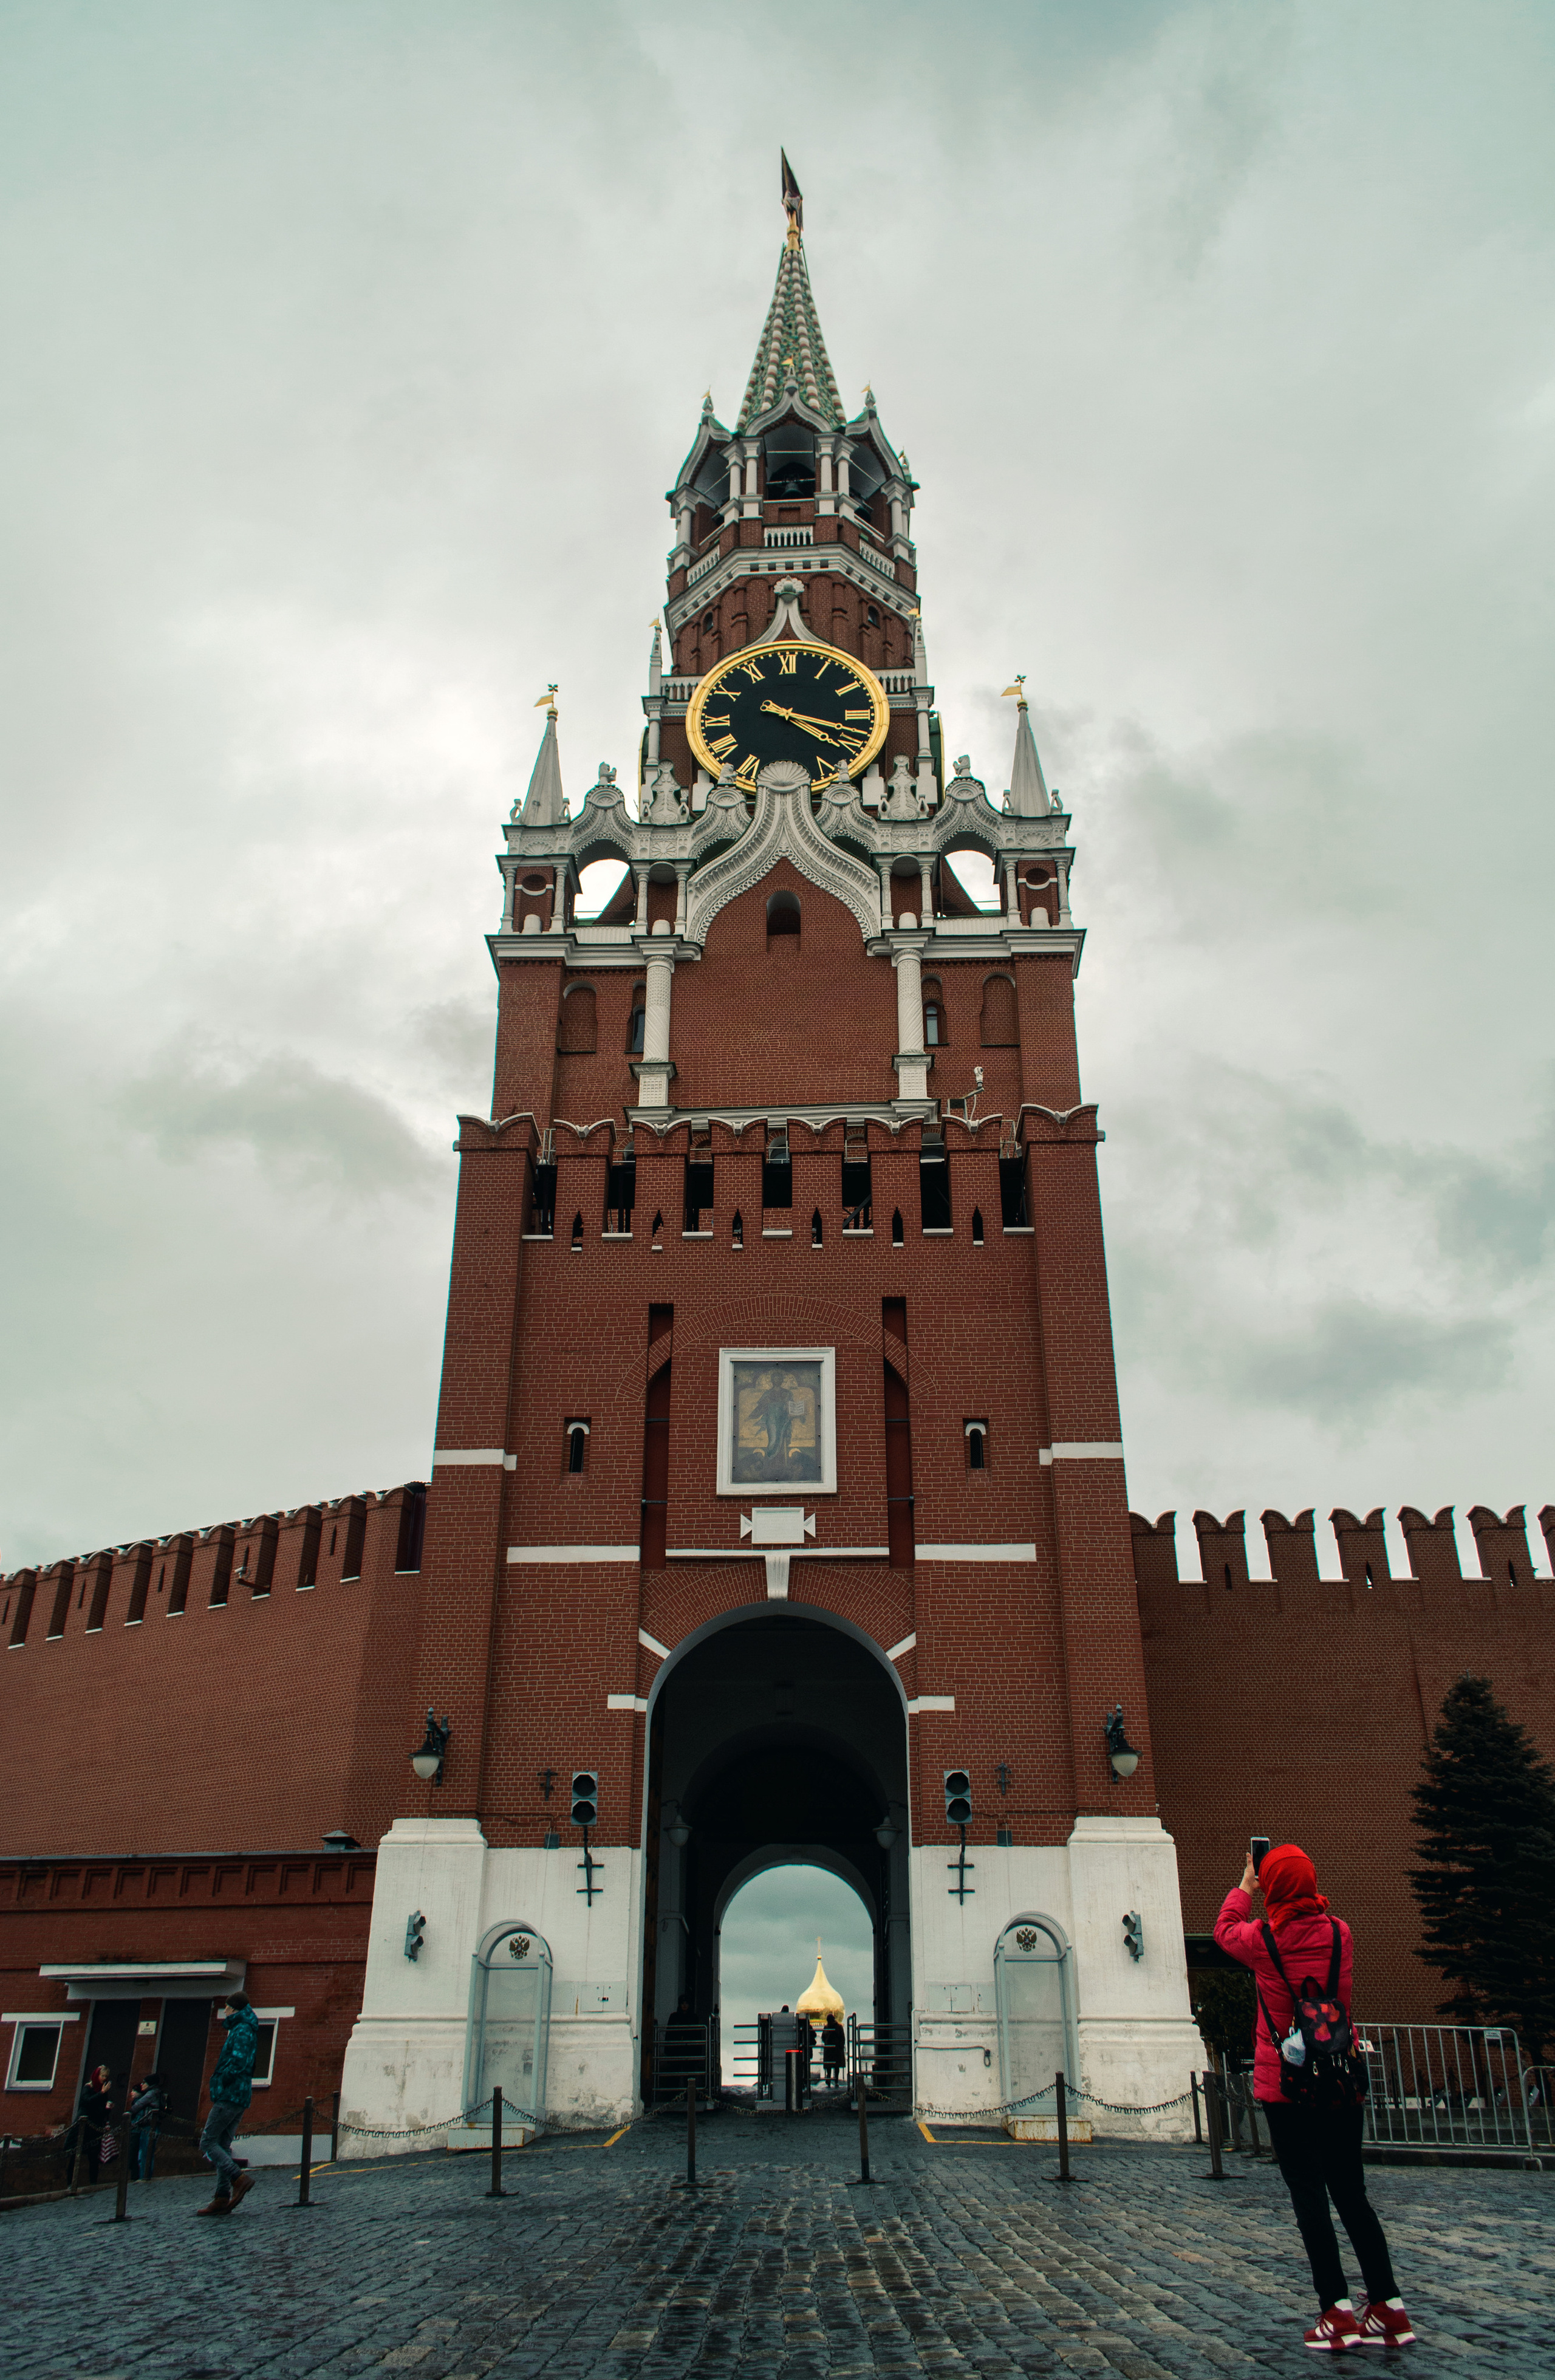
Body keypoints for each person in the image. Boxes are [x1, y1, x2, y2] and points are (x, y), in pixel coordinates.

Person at [1216, 1844, 1414, 2352]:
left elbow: (1223, 1931)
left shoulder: (1263, 1940)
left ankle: (1336, 2311)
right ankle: (1389, 2308)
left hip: (1286, 2085)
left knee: (1309, 2197)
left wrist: (1245, 1885)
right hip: (1341, 2082)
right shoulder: (1340, 1934)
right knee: (1352, 2194)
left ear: (1274, 1887)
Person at [195, 1993, 261, 2215]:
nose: (224, 2011)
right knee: (222, 2144)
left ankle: (238, 2177)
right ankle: (222, 2197)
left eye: (227, 2007)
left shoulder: (242, 2030)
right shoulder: (245, 2028)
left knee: (208, 2141)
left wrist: (222, 2081)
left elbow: (238, 2062)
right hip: (239, 2095)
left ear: (235, 2009)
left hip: (231, 2095)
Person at [127, 2068, 165, 2181]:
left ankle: (145, 2177)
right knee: (147, 2153)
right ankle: (145, 2176)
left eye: (144, 2083)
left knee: (146, 2154)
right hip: (152, 2126)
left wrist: (129, 2113)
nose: (142, 2085)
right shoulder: (158, 2093)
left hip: (148, 2126)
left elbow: (139, 2105)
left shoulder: (151, 2093)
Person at [821, 2014, 845, 2089]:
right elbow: (823, 2037)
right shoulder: (837, 2027)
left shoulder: (834, 2027)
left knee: (834, 2066)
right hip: (833, 2049)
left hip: (834, 2049)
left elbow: (842, 2038)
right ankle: (832, 2080)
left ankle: (834, 2080)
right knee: (832, 2066)